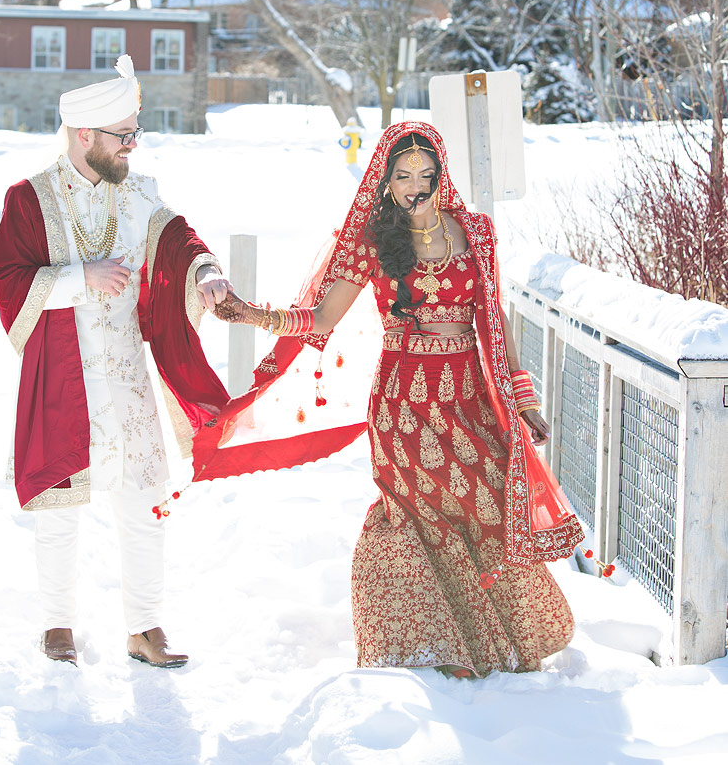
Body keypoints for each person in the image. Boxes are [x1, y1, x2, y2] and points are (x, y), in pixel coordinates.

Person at [212, 121, 583, 677]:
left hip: (467, 396)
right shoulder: (374, 241)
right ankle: (428, 645)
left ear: (442, 176)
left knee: (481, 499)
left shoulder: (476, 233)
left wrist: (521, 398)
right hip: (402, 402)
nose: (416, 186)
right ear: (384, 182)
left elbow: (494, 323)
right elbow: (321, 318)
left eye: (426, 174)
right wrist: (253, 315)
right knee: (414, 514)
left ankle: (500, 640)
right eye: (403, 176)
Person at [0, 56, 231, 668]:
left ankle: (144, 628)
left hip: (125, 380)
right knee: (59, 509)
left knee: (145, 503)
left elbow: (180, 236)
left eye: (134, 134)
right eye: (122, 136)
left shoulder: (137, 192)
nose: (131, 148)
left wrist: (205, 272)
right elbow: (7, 277)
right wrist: (79, 278)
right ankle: (57, 627)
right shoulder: (29, 199)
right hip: (61, 379)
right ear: (84, 134)